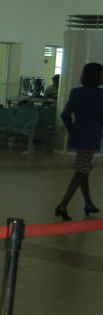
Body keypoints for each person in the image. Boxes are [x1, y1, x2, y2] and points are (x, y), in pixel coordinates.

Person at [55, 62, 103, 220]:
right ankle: (62, 205)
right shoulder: (100, 94)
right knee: (81, 171)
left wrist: (73, 130)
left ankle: (88, 203)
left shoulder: (76, 92)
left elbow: (65, 115)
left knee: (84, 169)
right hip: (92, 136)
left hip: (78, 135)